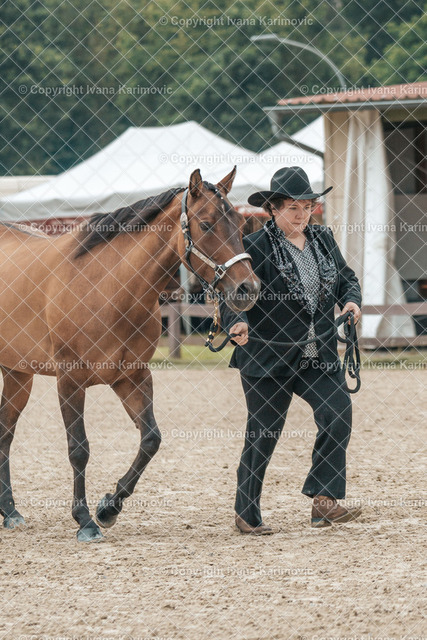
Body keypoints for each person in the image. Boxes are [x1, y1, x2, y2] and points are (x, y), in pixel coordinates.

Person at [220, 167, 362, 534]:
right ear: (273, 209)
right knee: (264, 433)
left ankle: (324, 501)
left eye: (307, 207)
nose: (302, 215)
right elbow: (232, 291)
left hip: (318, 354)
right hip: (268, 356)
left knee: (338, 412)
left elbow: (346, 278)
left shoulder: (323, 238)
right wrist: (237, 321)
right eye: (293, 208)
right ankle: (246, 512)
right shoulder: (253, 246)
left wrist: (351, 301)